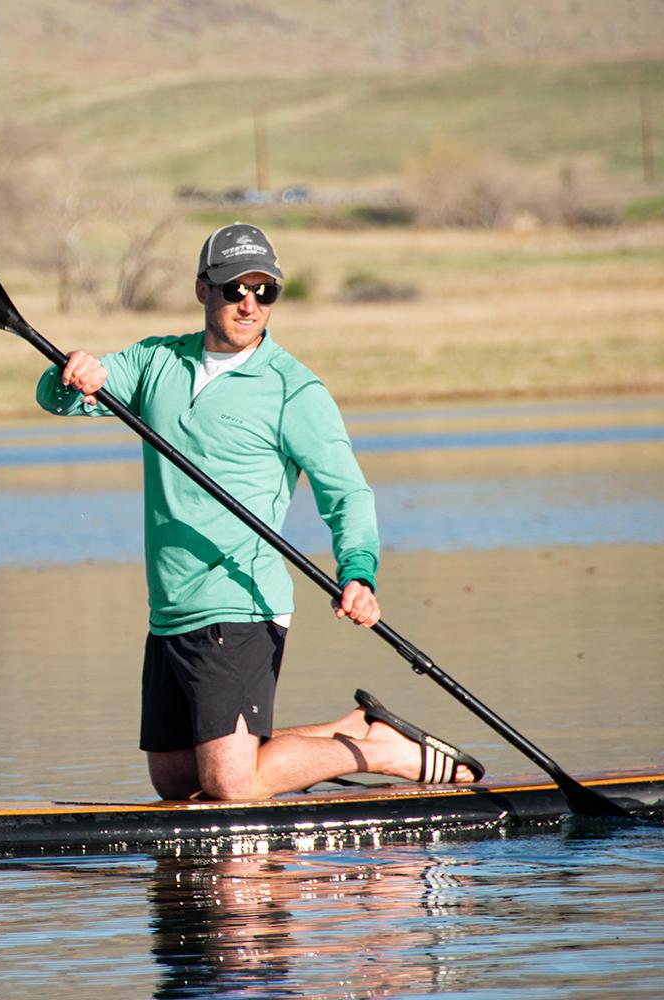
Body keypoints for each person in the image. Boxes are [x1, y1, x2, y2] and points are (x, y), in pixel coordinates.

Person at [35, 222, 484, 801]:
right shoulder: (155, 362)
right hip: (170, 606)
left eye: (264, 291)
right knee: (175, 784)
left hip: (242, 602)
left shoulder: (293, 389)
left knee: (230, 783)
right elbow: (57, 399)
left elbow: (346, 493)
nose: (249, 303)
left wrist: (358, 571)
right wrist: (75, 373)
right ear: (204, 289)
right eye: (234, 289)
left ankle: (379, 751)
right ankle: (352, 731)